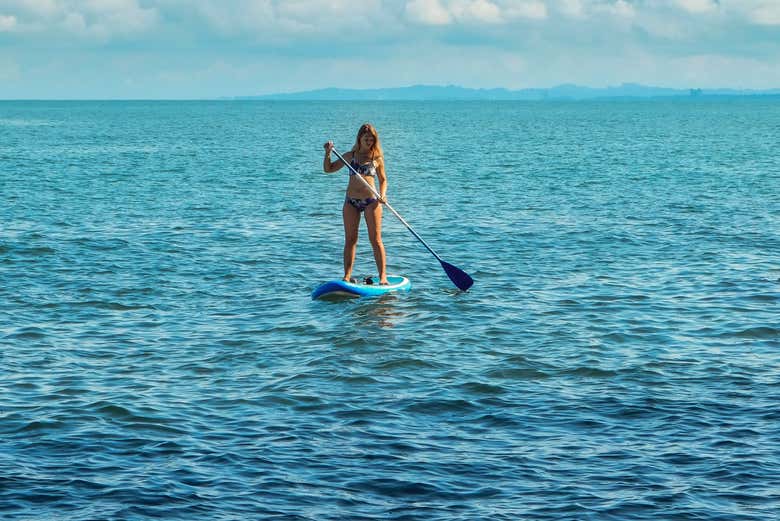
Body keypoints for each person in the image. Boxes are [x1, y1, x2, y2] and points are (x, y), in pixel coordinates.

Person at [323, 123, 389, 285]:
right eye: (366, 138)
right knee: (350, 239)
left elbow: (383, 180)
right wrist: (327, 153)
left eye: (371, 139)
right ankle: (346, 276)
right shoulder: (349, 156)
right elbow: (329, 169)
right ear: (359, 139)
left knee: (376, 240)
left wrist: (383, 195)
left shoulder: (377, 158)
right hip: (350, 202)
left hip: (371, 202)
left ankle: (383, 277)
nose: (369, 141)